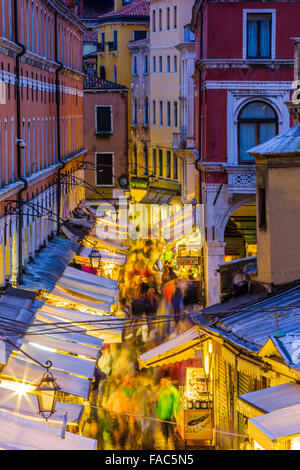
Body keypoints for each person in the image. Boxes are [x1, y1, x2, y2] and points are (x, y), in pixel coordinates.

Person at [155, 376, 180, 448]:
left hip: (170, 413)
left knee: (171, 429)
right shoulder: (161, 390)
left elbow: (176, 400)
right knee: (164, 428)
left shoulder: (173, 390)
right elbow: (159, 402)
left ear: (169, 381)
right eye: (162, 381)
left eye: (164, 381)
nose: (163, 383)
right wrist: (158, 411)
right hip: (163, 413)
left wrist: (175, 410)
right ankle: (166, 441)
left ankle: (171, 443)